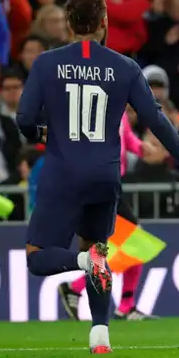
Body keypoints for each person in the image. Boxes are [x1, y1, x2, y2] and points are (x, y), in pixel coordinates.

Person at [16, 0, 179, 354]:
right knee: (98, 249)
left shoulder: (47, 64)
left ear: (68, 24)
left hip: (63, 173)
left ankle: (82, 263)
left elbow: (24, 120)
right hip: (105, 176)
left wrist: (41, 133)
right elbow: (158, 122)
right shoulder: (125, 68)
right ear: (104, 23)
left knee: (38, 256)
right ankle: (100, 336)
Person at [57, 113, 159, 321]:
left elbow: (125, 136)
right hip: (99, 181)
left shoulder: (117, 108)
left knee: (130, 242)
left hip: (112, 182)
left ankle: (121, 304)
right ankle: (116, 302)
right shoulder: (91, 106)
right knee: (132, 241)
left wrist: (140, 147)